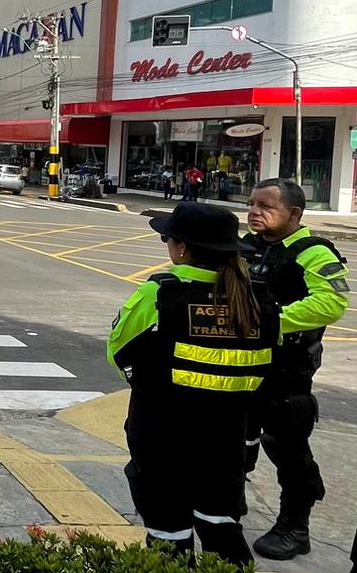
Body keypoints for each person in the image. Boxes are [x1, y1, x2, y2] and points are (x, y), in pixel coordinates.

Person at [107, 203, 278, 567]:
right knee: (221, 525)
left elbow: (118, 352)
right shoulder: (257, 297)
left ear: (182, 248)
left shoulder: (161, 293)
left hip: (163, 433)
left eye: (168, 238)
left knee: (168, 533)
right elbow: (267, 363)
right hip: (227, 434)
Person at [241, 178, 348, 560]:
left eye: (265, 206)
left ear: (294, 213)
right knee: (236, 435)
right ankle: (228, 500)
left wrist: (271, 323)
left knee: (286, 446)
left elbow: (331, 303)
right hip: (241, 364)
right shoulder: (247, 245)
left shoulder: (313, 252)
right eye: (251, 204)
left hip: (287, 369)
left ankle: (295, 526)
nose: (254, 212)